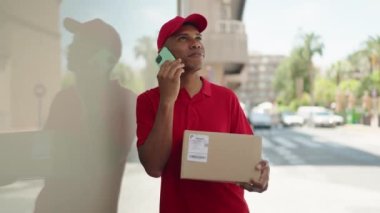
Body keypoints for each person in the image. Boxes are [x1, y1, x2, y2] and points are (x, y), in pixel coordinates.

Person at [136, 13, 270, 213]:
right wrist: (167, 101)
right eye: (183, 38)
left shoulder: (227, 98)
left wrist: (258, 176)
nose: (196, 43)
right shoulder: (148, 101)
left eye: (198, 38)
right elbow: (154, 168)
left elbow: (246, 163)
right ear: (163, 54)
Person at [33, 17, 136, 213]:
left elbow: (106, 158)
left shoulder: (126, 101)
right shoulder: (63, 98)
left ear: (105, 58)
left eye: (79, 43)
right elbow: (44, 151)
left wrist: (91, 92)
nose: (70, 48)